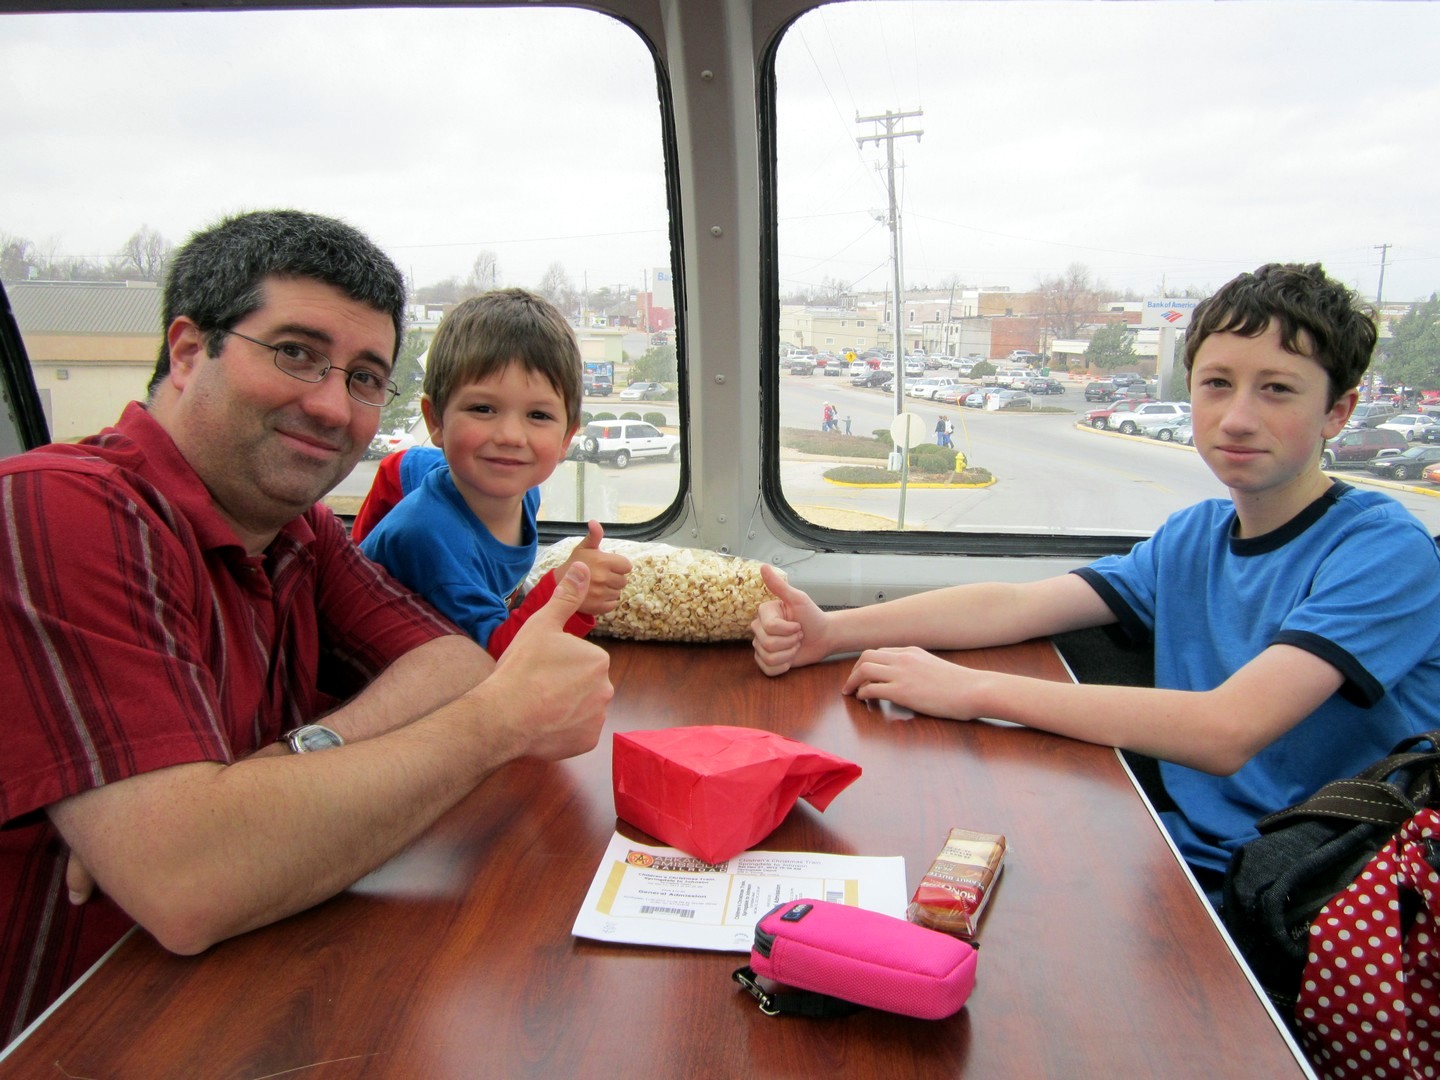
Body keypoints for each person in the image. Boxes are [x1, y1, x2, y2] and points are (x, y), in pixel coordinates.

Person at [0, 210, 613, 1044]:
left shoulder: (301, 531)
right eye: (295, 353)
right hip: (77, 1026)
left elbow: (453, 668)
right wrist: (499, 725)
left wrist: (273, 769)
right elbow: (188, 883)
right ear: (189, 351)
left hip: (246, 990)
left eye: (363, 377)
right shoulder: (60, 507)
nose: (331, 404)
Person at [752, 262, 1440, 902]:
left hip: (1311, 886)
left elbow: (1228, 729)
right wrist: (832, 632)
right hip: (1189, 852)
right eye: (1217, 383)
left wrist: (974, 691)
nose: (1236, 417)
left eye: (1277, 389)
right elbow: (1016, 606)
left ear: (1338, 412)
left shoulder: (1380, 550)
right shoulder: (1195, 537)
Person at [357, 289, 632, 655]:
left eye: (538, 415)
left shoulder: (523, 492)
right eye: (483, 409)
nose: (510, 436)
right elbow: (494, 661)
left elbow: (402, 466)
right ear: (436, 421)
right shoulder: (431, 538)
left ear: (566, 438)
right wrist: (568, 596)